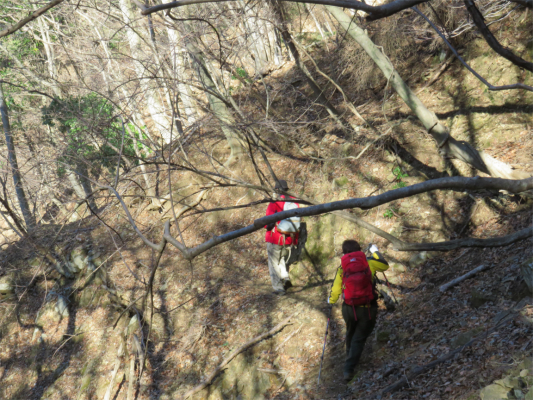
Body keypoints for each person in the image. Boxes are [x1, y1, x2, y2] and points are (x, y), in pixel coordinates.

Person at [327, 240, 389, 383]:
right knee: (359, 338)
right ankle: (349, 369)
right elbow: (385, 265)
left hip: (348, 308)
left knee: (351, 332)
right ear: (360, 250)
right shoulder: (369, 263)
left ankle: (350, 357)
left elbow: (336, 288)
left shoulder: (342, 268)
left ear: (344, 253)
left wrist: (331, 301)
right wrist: (375, 252)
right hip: (367, 308)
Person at [264, 179, 301, 295]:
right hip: (288, 239)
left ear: (276, 189)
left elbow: (267, 223)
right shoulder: (295, 202)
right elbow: (297, 223)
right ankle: (285, 278)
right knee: (281, 260)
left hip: (275, 237)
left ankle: (279, 288)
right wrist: (294, 241)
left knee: (274, 263)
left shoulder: (275, 202)